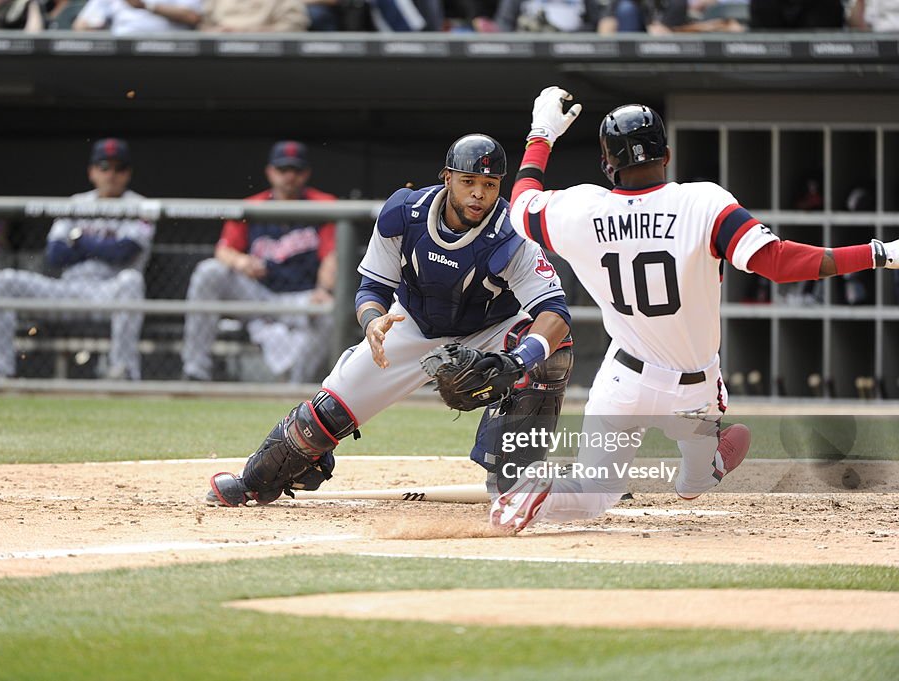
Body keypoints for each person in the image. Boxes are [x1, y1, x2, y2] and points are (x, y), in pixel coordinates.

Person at [485, 86, 899, 532]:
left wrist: (542, 132)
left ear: (608, 165)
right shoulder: (703, 201)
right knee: (693, 483)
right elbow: (778, 263)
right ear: (666, 153)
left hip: (621, 382)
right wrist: (879, 252)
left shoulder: (579, 208)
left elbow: (522, 203)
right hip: (693, 392)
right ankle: (708, 466)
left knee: (592, 494)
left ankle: (533, 496)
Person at [204, 134, 574, 507]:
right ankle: (254, 481)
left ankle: (516, 482)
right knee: (324, 415)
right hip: (409, 323)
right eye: (468, 182)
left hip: (491, 330)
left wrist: (517, 361)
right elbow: (371, 289)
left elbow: (554, 311)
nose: (478, 194)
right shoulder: (404, 211)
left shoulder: (511, 233)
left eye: (489, 185)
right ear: (447, 178)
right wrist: (372, 323)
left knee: (552, 354)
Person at [0, 138, 155, 380]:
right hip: (65, 290)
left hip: (108, 293)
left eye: (120, 168)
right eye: (104, 166)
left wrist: (79, 241)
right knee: (3, 281)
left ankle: (122, 373)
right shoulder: (76, 203)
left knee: (132, 281)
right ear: (92, 171)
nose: (111, 174)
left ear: (128, 173)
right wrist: (103, 246)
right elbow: (55, 254)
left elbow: (124, 252)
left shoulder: (142, 206)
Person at [181, 141, 336, 383]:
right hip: (259, 294)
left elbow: (332, 256)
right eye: (283, 170)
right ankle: (195, 371)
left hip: (301, 297)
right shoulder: (253, 206)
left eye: (296, 170)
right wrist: (241, 262)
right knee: (208, 271)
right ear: (270, 172)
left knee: (329, 310)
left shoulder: (323, 204)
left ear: (306, 173)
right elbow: (223, 250)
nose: (289, 176)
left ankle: (297, 387)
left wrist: (324, 290)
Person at [73, 0, 201, 35]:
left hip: (170, 51)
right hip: (121, 52)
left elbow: (192, 17)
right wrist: (89, 27)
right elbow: (80, 25)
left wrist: (146, 5)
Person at [200, 0, 308, 30]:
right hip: (217, 58)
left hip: (270, 59)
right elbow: (204, 25)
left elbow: (293, 27)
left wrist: (243, 32)